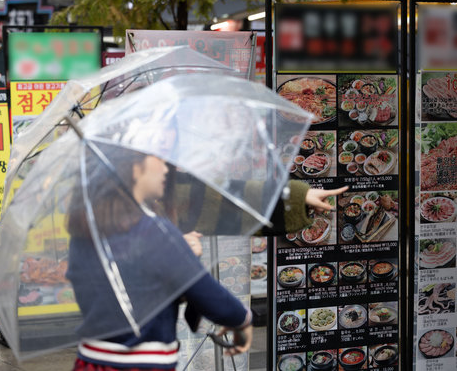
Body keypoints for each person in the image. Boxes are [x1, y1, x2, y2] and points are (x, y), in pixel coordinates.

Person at [66, 145, 346, 371]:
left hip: (90, 359)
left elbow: (224, 198)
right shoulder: (157, 231)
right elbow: (203, 291)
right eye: (160, 158)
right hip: (144, 364)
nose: (169, 167)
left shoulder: (85, 228)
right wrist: (242, 320)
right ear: (132, 166)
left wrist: (298, 197)